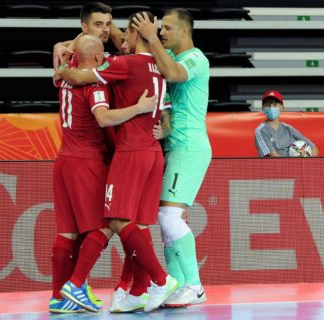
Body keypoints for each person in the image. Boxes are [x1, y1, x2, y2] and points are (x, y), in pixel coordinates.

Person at [54, 12, 178, 313]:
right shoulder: (159, 68)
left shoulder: (123, 65)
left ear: (136, 36)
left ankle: (157, 281)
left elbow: (84, 75)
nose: (120, 39)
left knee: (115, 221)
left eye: (125, 35)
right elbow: (166, 116)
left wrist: (62, 71)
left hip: (128, 152)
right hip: (153, 151)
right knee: (137, 224)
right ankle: (137, 289)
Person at [132, 8, 211, 307]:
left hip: (189, 148)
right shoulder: (168, 55)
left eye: (167, 28)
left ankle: (195, 285)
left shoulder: (194, 59)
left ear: (184, 31)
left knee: (169, 217)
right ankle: (178, 285)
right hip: (173, 146)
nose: (162, 32)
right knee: (165, 219)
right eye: (160, 28)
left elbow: (173, 74)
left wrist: (152, 38)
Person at [255, 90, 319, 157]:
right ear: (263, 108)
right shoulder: (261, 131)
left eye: (275, 105)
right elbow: (273, 156)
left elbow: (314, 149)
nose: (271, 108)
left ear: (282, 107)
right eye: (267, 105)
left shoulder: (288, 128)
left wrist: (305, 164)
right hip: (274, 167)